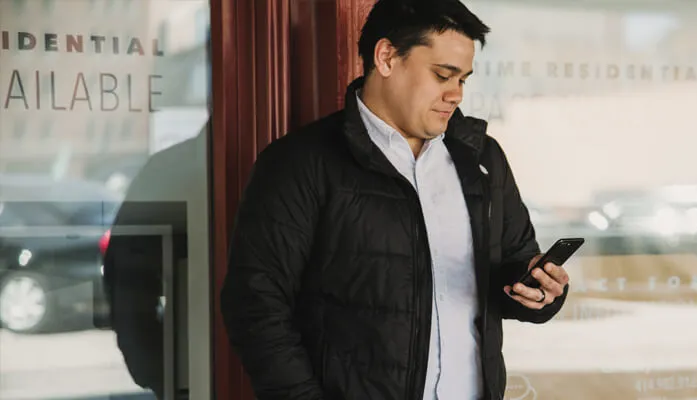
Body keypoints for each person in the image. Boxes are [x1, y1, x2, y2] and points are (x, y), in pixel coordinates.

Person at [219, 0, 570, 399]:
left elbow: (516, 265)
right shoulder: (300, 163)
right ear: (386, 57)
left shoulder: (482, 159)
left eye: (464, 80)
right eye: (443, 75)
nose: (455, 94)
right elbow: (256, 306)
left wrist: (539, 293)